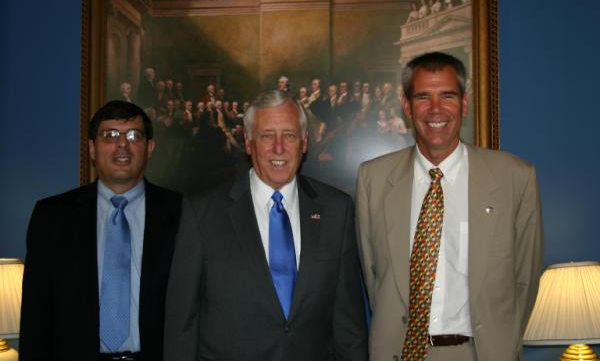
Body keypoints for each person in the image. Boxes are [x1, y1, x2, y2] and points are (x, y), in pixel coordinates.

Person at [355, 52, 543, 361]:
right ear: (406, 107)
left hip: (480, 354)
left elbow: (525, 279)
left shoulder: (515, 178)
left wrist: (501, 343)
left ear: (464, 104)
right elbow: (375, 278)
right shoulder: (372, 179)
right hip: (400, 353)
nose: (436, 109)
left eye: (447, 96)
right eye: (423, 97)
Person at [164, 90, 368, 361]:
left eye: (289, 135)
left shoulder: (336, 210)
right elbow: (181, 325)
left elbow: (348, 324)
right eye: (267, 136)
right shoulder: (202, 213)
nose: (279, 148)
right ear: (249, 143)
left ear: (304, 143)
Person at [20, 100, 182, 361]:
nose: (122, 144)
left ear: (149, 148)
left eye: (134, 135)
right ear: (92, 149)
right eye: (110, 135)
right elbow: (35, 316)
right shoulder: (51, 217)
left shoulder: (183, 214)